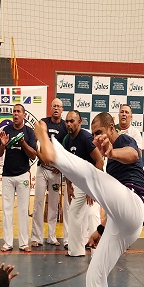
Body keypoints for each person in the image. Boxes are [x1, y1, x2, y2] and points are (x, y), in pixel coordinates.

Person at [35, 112, 144, 287]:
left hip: (134, 205)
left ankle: (54, 153)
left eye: (99, 133)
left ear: (111, 128)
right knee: (95, 274)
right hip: (122, 221)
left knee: (93, 176)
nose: (96, 139)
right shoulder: (109, 160)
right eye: (93, 135)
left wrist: (112, 152)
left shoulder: (124, 140)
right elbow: (111, 199)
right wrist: (100, 231)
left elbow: (133, 156)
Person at [62, 110, 104, 257]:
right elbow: (67, 166)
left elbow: (100, 161)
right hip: (78, 183)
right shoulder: (67, 140)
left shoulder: (86, 138)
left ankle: (97, 252)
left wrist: (91, 188)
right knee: (73, 212)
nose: (68, 124)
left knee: (92, 213)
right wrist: (68, 186)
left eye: (72, 121)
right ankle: (76, 250)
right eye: (67, 121)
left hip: (93, 181)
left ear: (80, 122)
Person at [0, 104, 38, 252]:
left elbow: (33, 155)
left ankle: (23, 243)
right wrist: (3, 145)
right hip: (7, 175)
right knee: (6, 210)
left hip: (23, 175)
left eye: (18, 111)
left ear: (24, 115)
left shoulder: (29, 132)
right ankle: (7, 243)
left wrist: (23, 143)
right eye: (14, 111)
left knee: (22, 210)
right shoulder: (6, 130)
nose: (15, 114)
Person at [31, 98, 68, 248]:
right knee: (38, 203)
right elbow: (35, 142)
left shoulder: (66, 126)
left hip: (56, 171)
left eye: (59, 106)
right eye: (54, 106)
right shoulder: (43, 122)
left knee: (54, 205)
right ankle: (36, 237)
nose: (56, 109)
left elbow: (67, 149)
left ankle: (51, 236)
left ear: (62, 109)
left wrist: (61, 166)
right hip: (42, 169)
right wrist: (41, 157)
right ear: (50, 108)